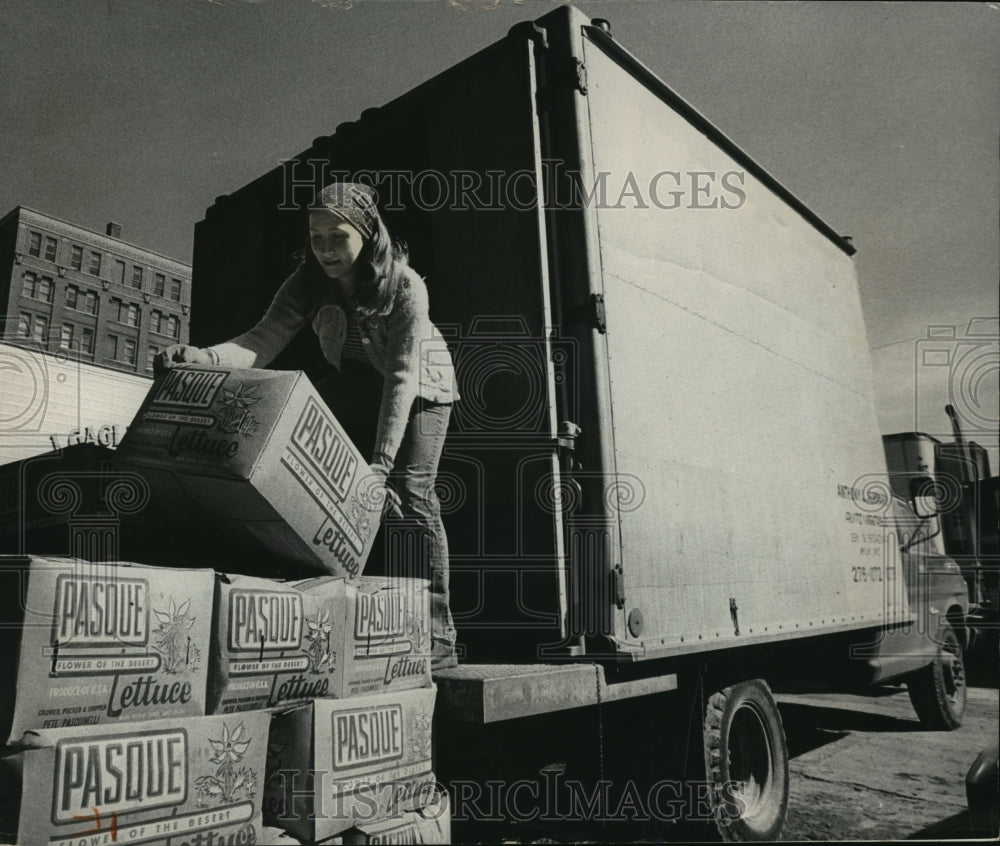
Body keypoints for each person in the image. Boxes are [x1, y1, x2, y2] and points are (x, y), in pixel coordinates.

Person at [155, 182, 459, 670]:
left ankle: (439, 639)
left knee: (410, 490)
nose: (324, 249)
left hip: (422, 386)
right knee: (305, 454)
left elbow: (402, 375)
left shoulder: (403, 285)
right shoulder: (306, 283)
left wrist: (380, 464)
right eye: (315, 237)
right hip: (359, 380)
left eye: (336, 236)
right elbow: (262, 340)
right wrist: (204, 357)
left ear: (365, 233)